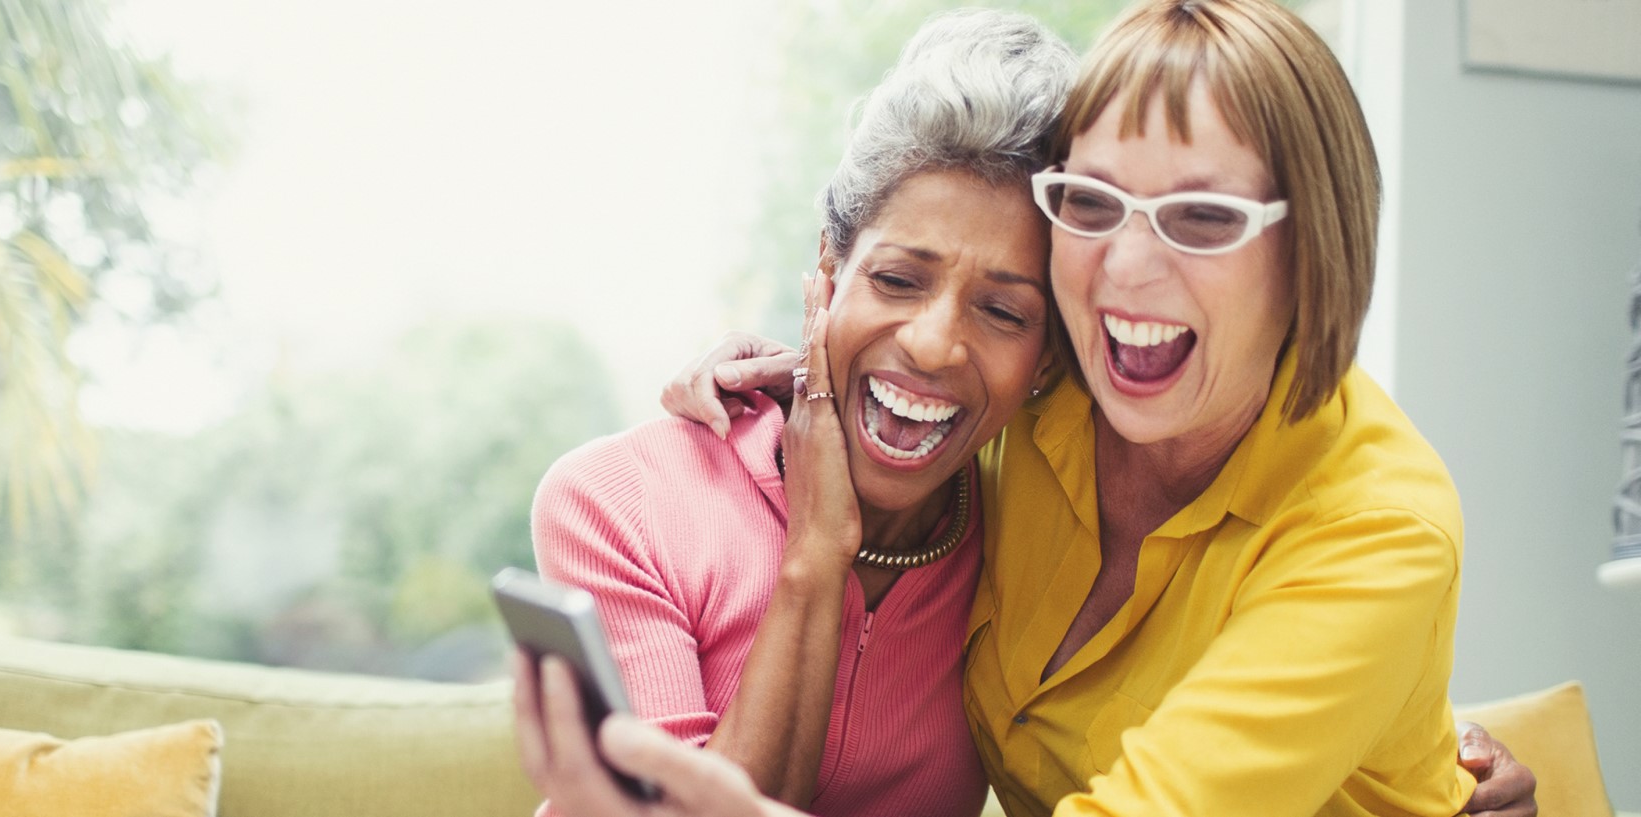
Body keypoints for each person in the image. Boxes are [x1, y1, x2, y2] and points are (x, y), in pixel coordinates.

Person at [522, 0, 1542, 815]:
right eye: (1092, 205)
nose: (1126, 273)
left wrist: (1417, 750)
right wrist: (793, 376)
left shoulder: (1375, 528)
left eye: (1200, 217)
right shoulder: (1043, 407)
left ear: (1312, 246)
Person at [527, 10, 1072, 815]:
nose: (932, 344)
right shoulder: (615, 504)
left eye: (1002, 311)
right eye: (896, 280)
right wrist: (817, 551)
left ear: (1048, 357)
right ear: (828, 268)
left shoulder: (1034, 535)